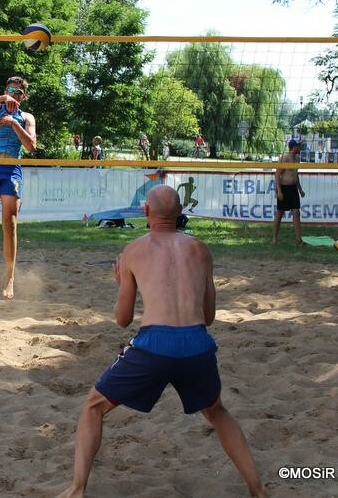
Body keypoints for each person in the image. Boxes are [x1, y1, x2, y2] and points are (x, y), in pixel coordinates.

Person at [58, 185, 265, 498]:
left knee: (93, 407)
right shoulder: (200, 248)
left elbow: (123, 319)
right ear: (181, 212)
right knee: (217, 412)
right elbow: (208, 316)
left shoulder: (133, 251)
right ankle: (258, 489)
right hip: (197, 343)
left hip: (154, 344)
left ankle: (77, 489)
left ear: (145, 212)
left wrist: (120, 283)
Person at [0, 76, 37, 299]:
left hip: (11, 171)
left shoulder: (26, 117)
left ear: (24, 97)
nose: (14, 94)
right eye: (11, 90)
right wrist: (3, 98)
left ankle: (9, 278)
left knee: (9, 224)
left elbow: (31, 146)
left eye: (19, 92)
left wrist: (14, 122)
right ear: (5, 91)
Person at [272, 139, 306, 246]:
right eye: (299, 146)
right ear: (293, 147)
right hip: (284, 188)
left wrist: (300, 189)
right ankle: (274, 238)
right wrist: (279, 191)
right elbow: (277, 175)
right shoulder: (284, 158)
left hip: (293, 189)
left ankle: (298, 239)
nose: (300, 148)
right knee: (279, 214)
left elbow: (295, 175)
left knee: (296, 213)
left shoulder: (297, 158)